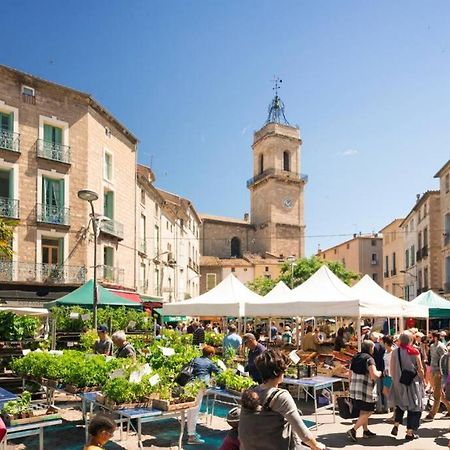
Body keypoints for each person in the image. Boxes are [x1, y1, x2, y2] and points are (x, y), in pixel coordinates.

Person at [239, 349, 326, 450]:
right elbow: (303, 433)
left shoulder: (251, 391)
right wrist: (316, 446)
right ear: (278, 372)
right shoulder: (280, 396)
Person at [389, 331, 425, 440]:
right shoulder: (414, 352)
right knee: (414, 407)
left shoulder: (395, 352)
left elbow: (392, 368)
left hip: (399, 382)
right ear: (411, 340)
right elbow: (420, 369)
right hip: (413, 383)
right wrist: (423, 380)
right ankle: (409, 432)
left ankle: (396, 424)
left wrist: (395, 380)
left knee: (400, 404)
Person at [347, 340, 381, 442]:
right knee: (370, 410)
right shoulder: (369, 359)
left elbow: (349, 373)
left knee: (363, 410)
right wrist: (380, 373)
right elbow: (374, 375)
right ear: (370, 348)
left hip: (355, 388)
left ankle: (365, 431)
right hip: (366, 389)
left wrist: (350, 385)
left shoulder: (355, 357)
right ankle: (353, 429)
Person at [186, 345, 221, 445]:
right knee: (195, 411)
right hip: (198, 386)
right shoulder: (210, 362)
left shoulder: (195, 359)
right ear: (210, 354)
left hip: (189, 385)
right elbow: (220, 372)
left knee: (190, 410)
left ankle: (191, 433)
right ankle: (191, 436)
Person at [424, 331, 450, 420]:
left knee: (437, 395)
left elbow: (445, 360)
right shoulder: (431, 346)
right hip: (433, 371)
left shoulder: (441, 347)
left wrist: (441, 373)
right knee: (441, 395)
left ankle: (432, 414)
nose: (428, 339)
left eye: (430, 337)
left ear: (435, 337)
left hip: (439, 373)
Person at [371, 333, 386, 413]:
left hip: (377, 370)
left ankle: (379, 408)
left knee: (378, 390)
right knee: (385, 389)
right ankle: (387, 407)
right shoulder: (384, 348)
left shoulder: (374, 347)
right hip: (386, 372)